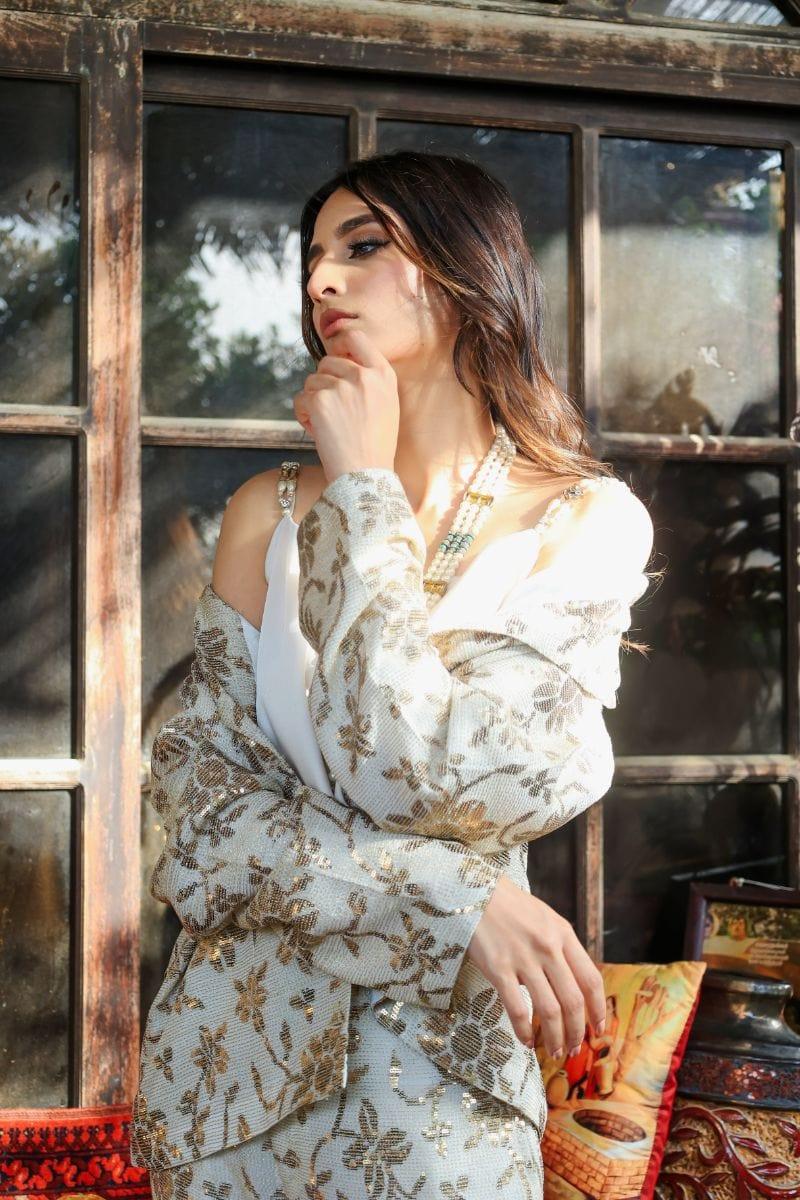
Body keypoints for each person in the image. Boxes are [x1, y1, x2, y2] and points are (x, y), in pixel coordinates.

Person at [134, 149, 655, 1199]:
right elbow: (198, 821)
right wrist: (454, 893)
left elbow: (421, 772)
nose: (320, 280)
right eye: (312, 257)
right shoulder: (267, 512)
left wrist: (365, 488)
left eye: (363, 246)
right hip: (226, 1086)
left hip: (437, 1096)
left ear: (467, 269)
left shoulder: (580, 520)